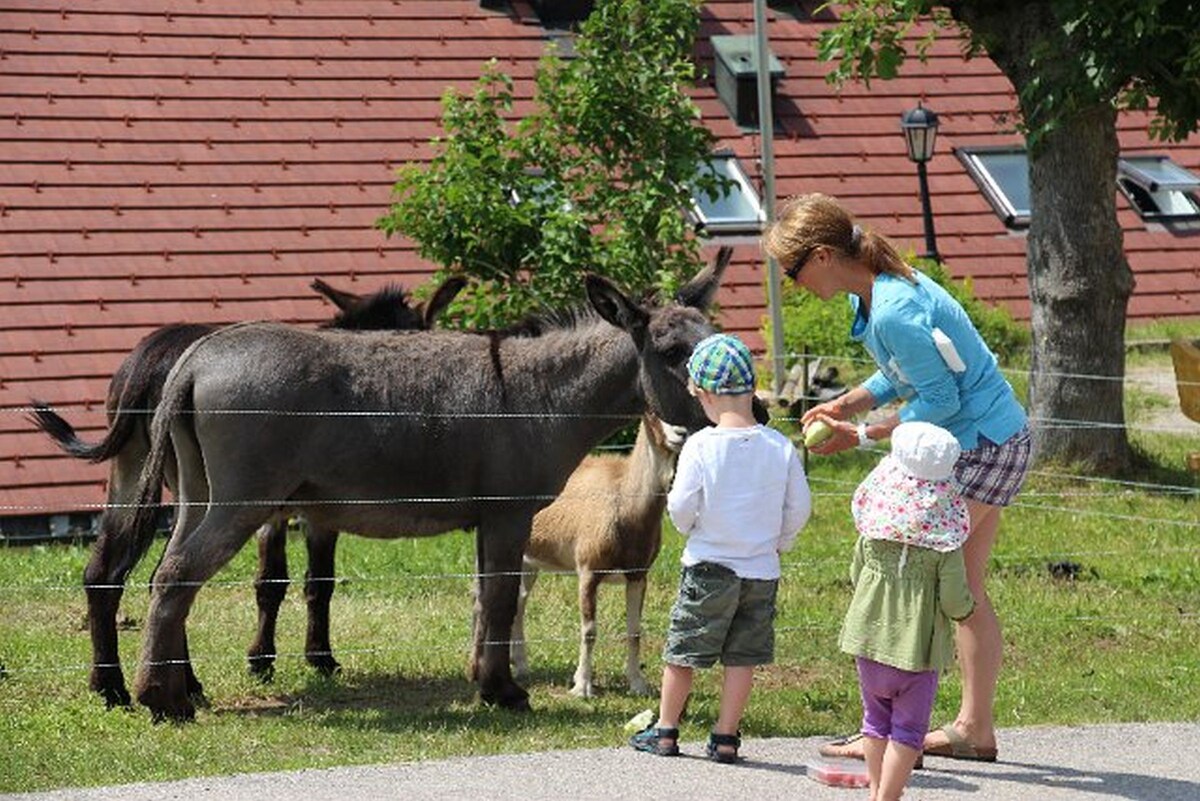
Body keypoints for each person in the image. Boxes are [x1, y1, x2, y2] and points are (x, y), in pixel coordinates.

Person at [763, 193, 1030, 762]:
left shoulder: (892, 308)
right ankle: (973, 729)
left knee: (909, 578)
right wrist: (846, 402)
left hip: (979, 445)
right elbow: (900, 375)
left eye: (792, 269)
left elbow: (939, 395)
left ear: (824, 256)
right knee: (965, 590)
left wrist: (859, 435)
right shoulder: (880, 293)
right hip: (995, 438)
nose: (792, 282)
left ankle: (884, 730)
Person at [629, 333, 812, 763]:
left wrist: (691, 529)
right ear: (750, 389)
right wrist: (778, 542)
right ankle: (726, 736)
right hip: (761, 572)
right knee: (742, 655)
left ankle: (667, 730)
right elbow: (799, 507)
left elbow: (681, 504)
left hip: (709, 567)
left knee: (683, 651)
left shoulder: (701, 446)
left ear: (704, 394)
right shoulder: (779, 446)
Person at [840, 421, 976, 800]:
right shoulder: (944, 544)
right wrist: (967, 610)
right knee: (907, 731)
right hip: (917, 652)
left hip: (868, 641)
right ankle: (888, 797)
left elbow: (856, 574)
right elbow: (953, 598)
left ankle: (875, 791)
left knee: (874, 722)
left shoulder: (873, 530)